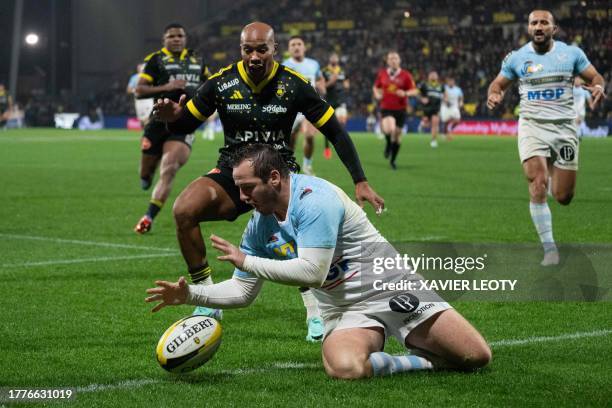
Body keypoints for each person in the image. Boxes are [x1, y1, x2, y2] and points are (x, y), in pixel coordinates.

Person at [145, 143, 491, 379]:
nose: (241, 197)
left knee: (476, 356)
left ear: (275, 178)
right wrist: (191, 295)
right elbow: (243, 292)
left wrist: (248, 262)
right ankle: (421, 360)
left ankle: (414, 335)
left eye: (247, 188)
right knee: (345, 369)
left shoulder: (315, 199)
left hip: (391, 287)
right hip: (344, 310)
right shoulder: (260, 225)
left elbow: (312, 271)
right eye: (238, 189)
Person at [152, 22, 384, 341]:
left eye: (262, 49)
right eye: (248, 50)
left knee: (290, 239)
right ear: (241, 50)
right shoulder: (221, 83)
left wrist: (360, 180)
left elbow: (335, 131)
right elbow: (184, 124)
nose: (255, 56)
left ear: (275, 49)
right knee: (184, 210)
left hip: (278, 177)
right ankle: (207, 299)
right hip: (233, 173)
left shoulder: (295, 85)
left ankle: (314, 310)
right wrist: (170, 120)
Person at [487, 9, 605, 266]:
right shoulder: (517, 58)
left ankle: (554, 174)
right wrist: (494, 94)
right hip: (532, 127)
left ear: (554, 28)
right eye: (534, 23)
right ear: (528, 28)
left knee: (563, 197)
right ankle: (550, 249)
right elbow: (497, 84)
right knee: (537, 181)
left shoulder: (571, 53)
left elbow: (595, 76)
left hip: (564, 129)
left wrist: (598, 86)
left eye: (544, 22)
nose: (538, 26)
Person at [133, 23, 211, 234]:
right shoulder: (155, 60)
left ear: (185, 38)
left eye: (180, 35)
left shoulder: (198, 60)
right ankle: (145, 176)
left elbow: (211, 84)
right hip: (158, 121)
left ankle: (148, 216)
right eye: (171, 36)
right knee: (146, 173)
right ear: (164, 40)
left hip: (185, 122)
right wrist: (167, 87)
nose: (176, 39)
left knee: (169, 168)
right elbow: (138, 90)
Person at [283, 36, 326, 175]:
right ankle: (290, 165)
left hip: (309, 107)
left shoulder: (313, 64)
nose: (296, 47)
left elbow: (319, 78)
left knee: (309, 135)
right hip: (291, 109)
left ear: (304, 47)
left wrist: (322, 87)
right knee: (291, 139)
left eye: (299, 44)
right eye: (293, 45)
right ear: (289, 49)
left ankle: (307, 165)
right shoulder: (284, 65)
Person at [373, 52, 418, 170]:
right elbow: (375, 87)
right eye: (391, 58)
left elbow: (415, 91)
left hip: (401, 109)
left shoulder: (406, 75)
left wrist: (405, 93)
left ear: (399, 60)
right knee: (389, 129)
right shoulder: (382, 74)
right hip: (386, 107)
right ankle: (388, 143)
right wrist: (377, 94)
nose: (393, 60)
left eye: (396, 58)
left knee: (397, 136)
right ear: (387, 61)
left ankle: (393, 160)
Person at [321, 52, 350, 159]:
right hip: (329, 100)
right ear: (330, 59)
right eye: (332, 57)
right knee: (327, 125)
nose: (334, 59)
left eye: (335, 57)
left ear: (337, 59)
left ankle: (342, 146)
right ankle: (327, 148)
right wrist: (332, 81)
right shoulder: (324, 71)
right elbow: (323, 86)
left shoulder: (342, 71)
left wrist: (346, 85)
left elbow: (347, 84)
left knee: (342, 122)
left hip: (340, 101)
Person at [419, 71, 444, 148]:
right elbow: (417, 93)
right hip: (426, 108)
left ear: (437, 77)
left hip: (436, 108)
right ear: (429, 77)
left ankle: (433, 141)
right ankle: (423, 125)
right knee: (426, 123)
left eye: (434, 75)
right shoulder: (424, 85)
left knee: (435, 124)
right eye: (431, 75)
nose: (433, 77)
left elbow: (444, 94)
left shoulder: (441, 86)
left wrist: (445, 99)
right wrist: (422, 98)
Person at [127, 63, 154, 128]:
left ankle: (148, 133)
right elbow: (128, 89)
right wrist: (135, 90)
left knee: (148, 117)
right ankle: (145, 131)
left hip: (148, 99)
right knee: (141, 120)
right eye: (139, 68)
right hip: (139, 100)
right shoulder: (134, 77)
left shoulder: (150, 77)